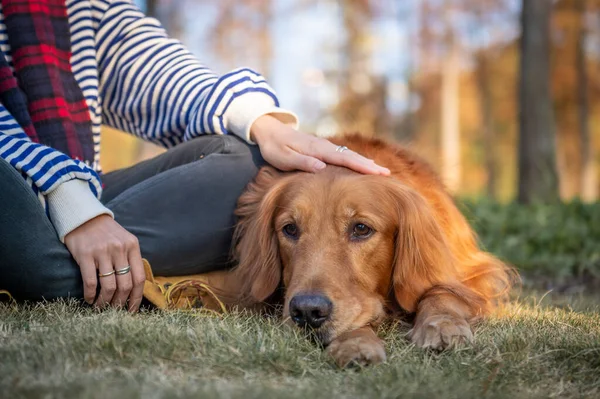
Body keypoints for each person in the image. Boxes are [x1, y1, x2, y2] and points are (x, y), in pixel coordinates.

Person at [0, 0, 389, 312]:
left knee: (251, 163)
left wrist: (263, 125)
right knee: (38, 258)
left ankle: (104, 264)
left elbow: (155, 70)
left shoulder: (75, 7)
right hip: (13, 183)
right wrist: (71, 205)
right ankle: (149, 280)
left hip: (87, 178)